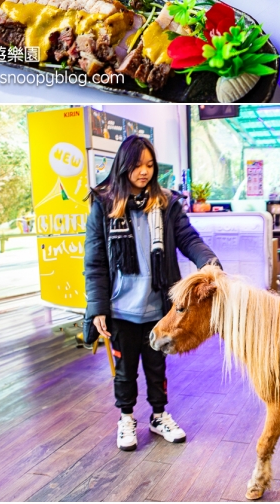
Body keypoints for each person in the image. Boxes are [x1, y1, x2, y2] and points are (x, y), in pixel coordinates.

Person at [83, 136, 221, 452]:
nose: (144, 172)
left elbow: (190, 239)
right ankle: (126, 419)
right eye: (137, 165)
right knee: (125, 371)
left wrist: (211, 264)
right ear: (123, 165)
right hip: (120, 310)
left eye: (149, 165)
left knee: (157, 368)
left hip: (159, 308)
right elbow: (94, 262)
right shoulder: (104, 205)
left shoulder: (167, 203)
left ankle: (159, 416)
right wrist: (97, 307)